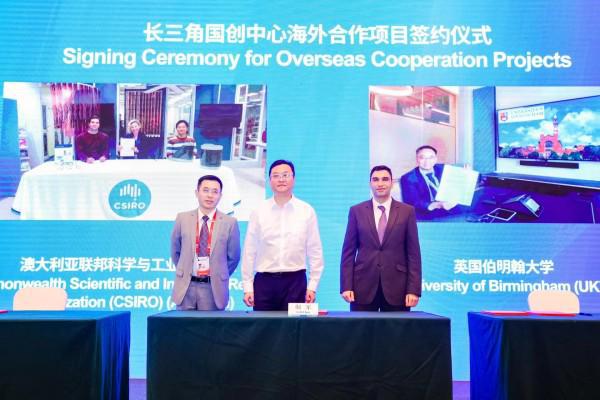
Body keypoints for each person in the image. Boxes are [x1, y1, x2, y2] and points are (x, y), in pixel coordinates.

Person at [241, 159, 324, 311]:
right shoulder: (259, 211)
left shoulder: (306, 211)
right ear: (269, 180)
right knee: (263, 325)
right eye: (276, 176)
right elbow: (249, 250)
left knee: (294, 326)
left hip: (296, 283)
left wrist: (312, 286)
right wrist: (247, 286)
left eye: (285, 175)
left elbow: (315, 250)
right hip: (264, 282)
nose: (281, 179)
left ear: (294, 179)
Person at [340, 165, 422, 311]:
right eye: (375, 179)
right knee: (361, 327)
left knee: (396, 327)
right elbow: (348, 252)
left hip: (398, 288)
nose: (380, 183)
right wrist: (346, 286)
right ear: (370, 183)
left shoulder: (407, 211)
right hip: (362, 287)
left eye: (385, 179)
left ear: (392, 183)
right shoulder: (357, 211)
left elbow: (413, 254)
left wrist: (414, 290)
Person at [171, 175, 241, 310]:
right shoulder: (182, 218)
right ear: (197, 193)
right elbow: (175, 251)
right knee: (182, 324)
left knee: (211, 324)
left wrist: (218, 275)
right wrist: (185, 270)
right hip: (186, 287)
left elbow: (234, 257)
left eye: (215, 192)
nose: (210, 195)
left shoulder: (230, 223)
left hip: (213, 289)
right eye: (205, 190)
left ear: (220, 196)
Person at [400, 145, 458, 219]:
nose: (427, 161)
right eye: (422, 157)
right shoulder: (408, 178)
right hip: (427, 215)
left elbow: (460, 176)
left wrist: (467, 173)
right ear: (417, 159)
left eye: (431, 157)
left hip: (451, 211)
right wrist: (436, 205)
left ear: (436, 159)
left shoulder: (444, 169)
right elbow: (412, 202)